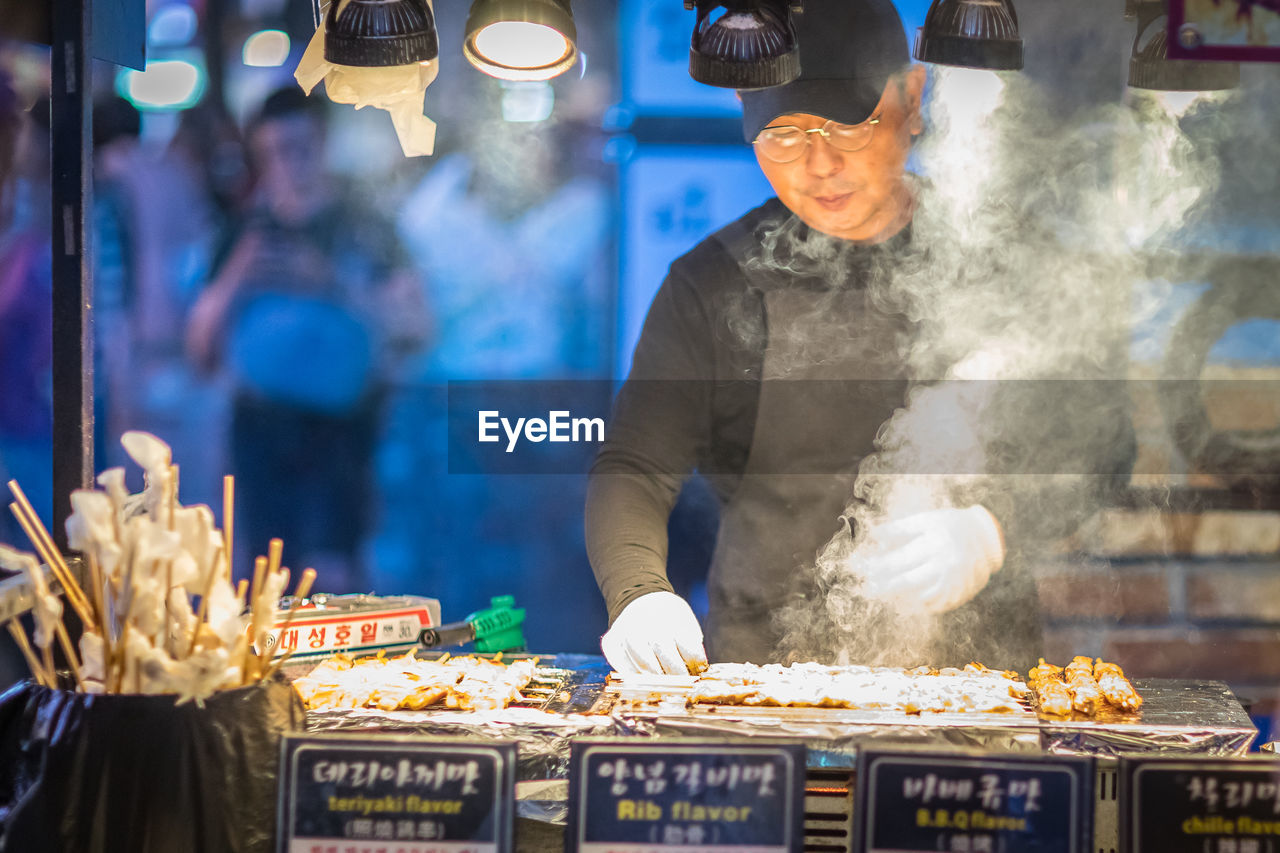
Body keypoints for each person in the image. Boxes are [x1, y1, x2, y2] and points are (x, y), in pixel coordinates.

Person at [586, 0, 1135, 674]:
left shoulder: (1007, 261)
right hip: (764, 683)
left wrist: (992, 529)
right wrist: (638, 592)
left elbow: (1104, 443)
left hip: (976, 679)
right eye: (782, 135)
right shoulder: (711, 284)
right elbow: (635, 466)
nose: (817, 164)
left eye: (847, 126)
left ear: (911, 98)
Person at [186, 87, 429, 590]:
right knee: (264, 580)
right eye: (271, 153)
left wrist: (333, 281)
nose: (286, 165)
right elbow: (200, 348)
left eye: (298, 149)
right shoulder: (243, 232)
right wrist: (236, 277)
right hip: (259, 429)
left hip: (341, 431)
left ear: (322, 143)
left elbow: (416, 324)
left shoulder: (365, 227)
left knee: (336, 576)